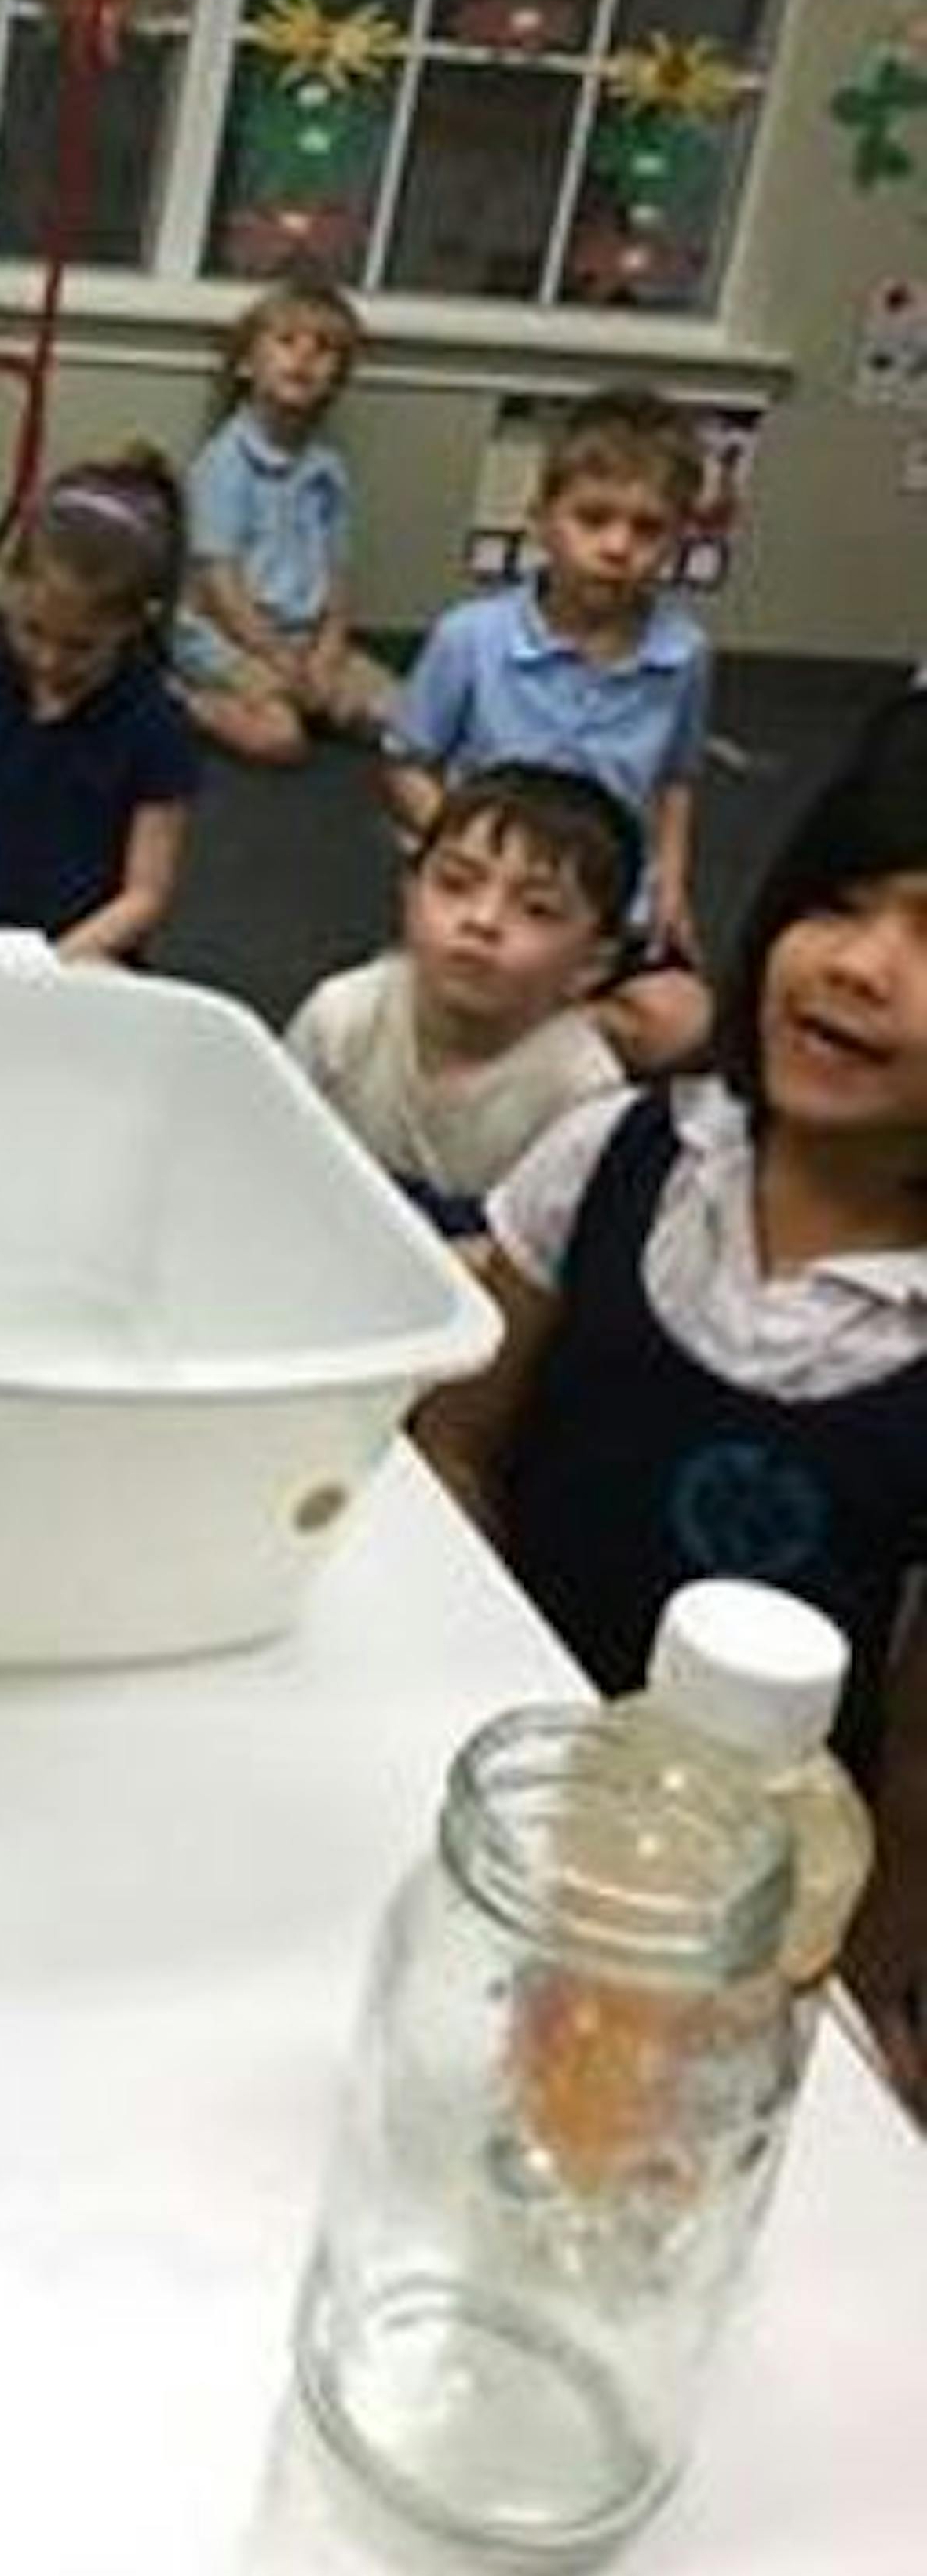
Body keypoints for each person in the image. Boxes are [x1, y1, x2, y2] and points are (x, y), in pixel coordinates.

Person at [414, 688, 927, 2108]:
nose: (860, 967)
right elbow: (459, 1444)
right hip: (502, 1791)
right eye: (838, 904)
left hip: (744, 1919)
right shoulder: (627, 1152)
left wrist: (848, 2000)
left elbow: (920, 1771)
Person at [383, 387, 713, 1074]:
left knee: (689, 1020)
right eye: (593, 519)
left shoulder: (684, 655)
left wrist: (672, 885)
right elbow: (406, 761)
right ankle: (526, 1025)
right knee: (405, 1007)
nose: (617, 547)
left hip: (608, 901)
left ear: (680, 538)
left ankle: (531, 1026)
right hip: (494, 895)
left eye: (648, 529)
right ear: (540, 519)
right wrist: (465, 847)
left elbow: (676, 781)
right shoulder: (470, 637)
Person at [285, 761, 638, 1241]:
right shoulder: (342, 1017)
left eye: (537, 909)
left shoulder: (582, 1094)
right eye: (455, 884)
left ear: (592, 964)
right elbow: (267, 1149)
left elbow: (539, 1260)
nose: (482, 920)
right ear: (410, 894)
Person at [0, 447, 201, 964]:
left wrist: (47, 969)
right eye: (31, 631)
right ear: (12, 588)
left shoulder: (156, 725)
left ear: (134, 624)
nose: (48, 659)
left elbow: (144, 895)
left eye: (80, 647)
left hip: (81, 957)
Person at [175, 274, 400, 767]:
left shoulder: (328, 470)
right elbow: (219, 586)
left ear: (337, 379)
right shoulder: (223, 464)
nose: (304, 357)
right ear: (246, 364)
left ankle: (311, 696)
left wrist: (328, 650)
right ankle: (186, 700)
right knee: (280, 739)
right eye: (286, 341)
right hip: (227, 637)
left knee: (403, 716)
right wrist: (277, 657)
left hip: (304, 637)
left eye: (323, 348)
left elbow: (337, 575)